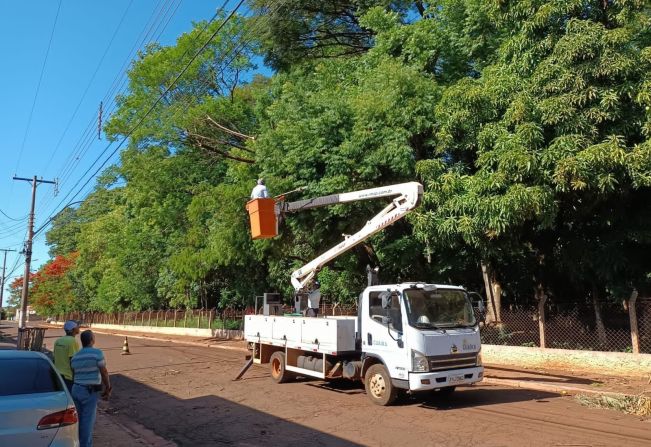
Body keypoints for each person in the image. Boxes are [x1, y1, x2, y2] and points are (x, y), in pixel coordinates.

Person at [71, 330, 112, 447]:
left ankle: (77, 443)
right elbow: (104, 372)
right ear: (91, 340)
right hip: (89, 392)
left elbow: (74, 375)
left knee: (78, 420)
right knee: (87, 422)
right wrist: (108, 387)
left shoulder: (75, 356)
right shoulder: (97, 353)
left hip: (76, 389)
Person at [53, 320, 80, 393]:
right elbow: (73, 361)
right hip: (68, 377)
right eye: (77, 326)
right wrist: (76, 378)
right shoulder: (73, 341)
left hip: (58, 375)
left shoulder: (58, 341)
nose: (79, 328)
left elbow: (54, 357)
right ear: (73, 329)